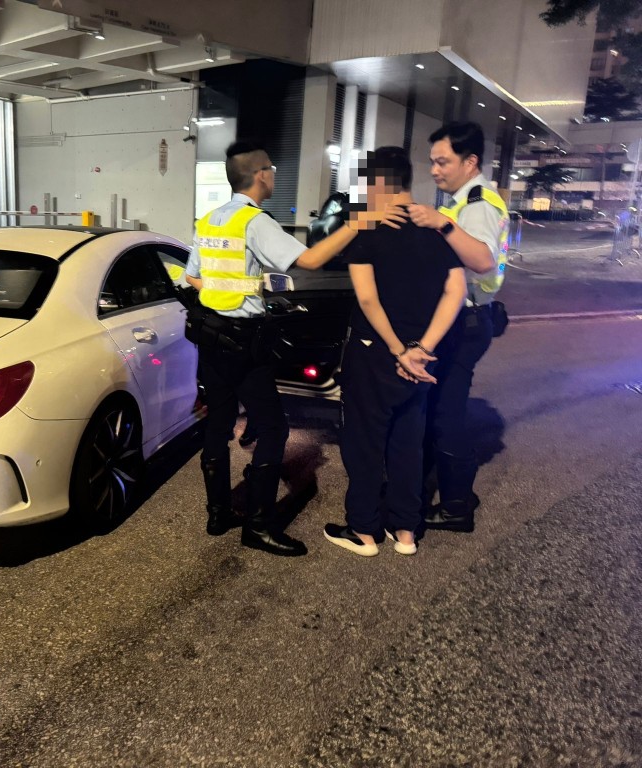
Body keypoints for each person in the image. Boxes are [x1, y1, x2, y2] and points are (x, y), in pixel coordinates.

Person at [184, 140, 399, 556]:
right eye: (272, 168)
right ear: (260, 174)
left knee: (219, 424)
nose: (274, 174)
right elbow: (311, 260)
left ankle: (218, 514)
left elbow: (193, 277)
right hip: (243, 340)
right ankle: (258, 527)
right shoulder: (254, 222)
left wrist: (234, 291)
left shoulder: (210, 220)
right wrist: (359, 222)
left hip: (210, 337)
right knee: (273, 428)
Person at [322, 147, 466, 557]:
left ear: (378, 183)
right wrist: (422, 349)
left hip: (374, 351)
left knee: (364, 442)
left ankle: (364, 530)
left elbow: (368, 299)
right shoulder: (434, 227)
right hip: (420, 359)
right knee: (408, 441)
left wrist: (399, 350)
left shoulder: (369, 231)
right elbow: (455, 292)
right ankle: (405, 530)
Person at [407, 122, 510, 533]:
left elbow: (482, 260)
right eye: (432, 162)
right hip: (464, 320)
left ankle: (455, 507)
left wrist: (441, 224)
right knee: (440, 408)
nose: (434, 170)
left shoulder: (478, 202)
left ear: (470, 162)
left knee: (446, 415)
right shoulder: (463, 200)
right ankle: (451, 493)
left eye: (442, 162)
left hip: (465, 322)